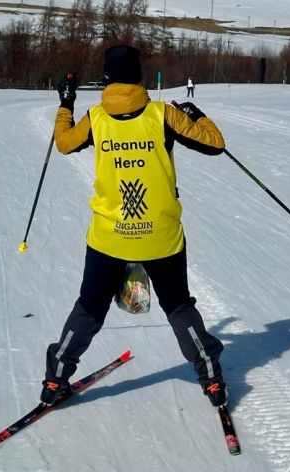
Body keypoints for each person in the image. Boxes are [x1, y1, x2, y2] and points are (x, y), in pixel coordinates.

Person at [41, 44, 229, 408]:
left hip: (110, 238)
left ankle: (55, 381)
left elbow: (63, 144)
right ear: (139, 76)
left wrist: (66, 104)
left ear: (107, 78)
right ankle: (211, 378)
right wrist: (197, 115)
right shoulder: (162, 116)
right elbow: (215, 144)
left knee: (89, 308)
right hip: (161, 238)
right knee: (178, 307)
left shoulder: (96, 119)